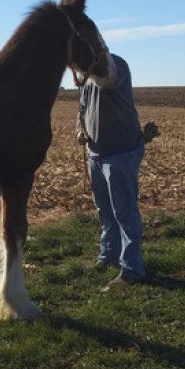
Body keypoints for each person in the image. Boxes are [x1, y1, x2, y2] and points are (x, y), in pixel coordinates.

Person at [76, 53, 146, 288]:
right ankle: (108, 256)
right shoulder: (86, 77)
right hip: (96, 153)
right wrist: (80, 130)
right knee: (104, 211)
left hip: (122, 151)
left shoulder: (114, 67)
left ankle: (131, 268)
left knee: (124, 212)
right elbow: (82, 109)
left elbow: (108, 81)